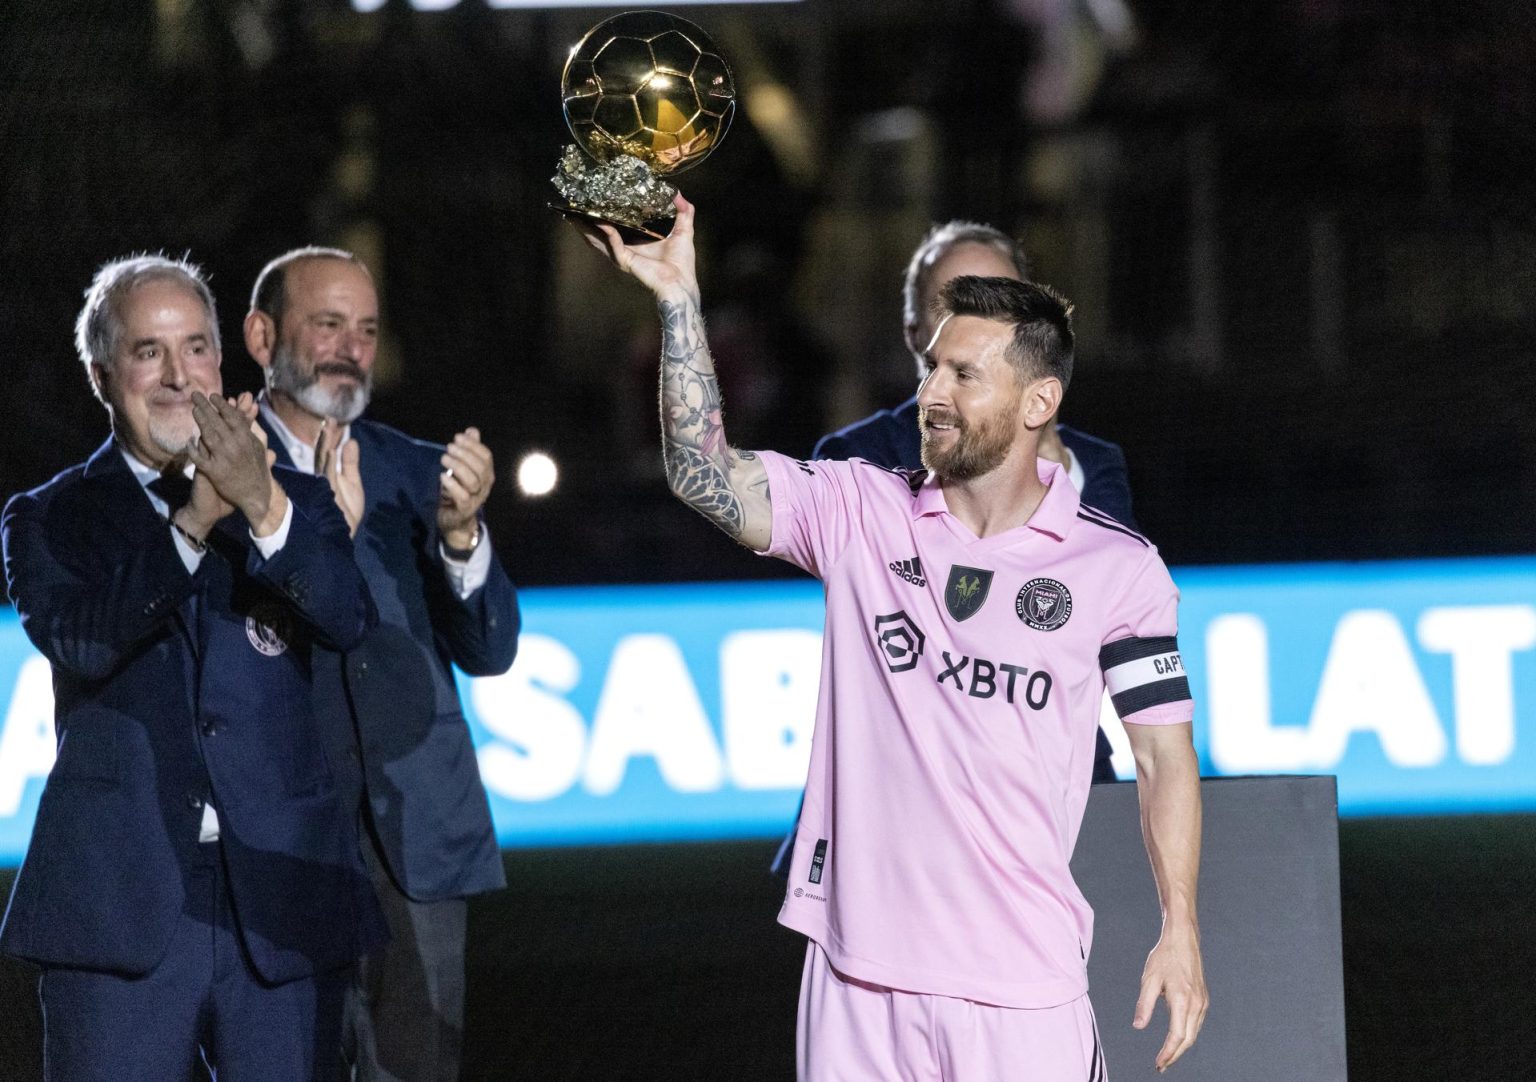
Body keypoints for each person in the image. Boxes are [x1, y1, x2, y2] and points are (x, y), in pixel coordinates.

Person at [581, 198, 1208, 1079]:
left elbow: (1164, 761)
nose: (934, 393)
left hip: (1022, 986)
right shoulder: (859, 508)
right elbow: (701, 474)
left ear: (1040, 403)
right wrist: (681, 302)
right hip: (856, 979)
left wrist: (1179, 928)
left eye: (966, 376)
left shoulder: (1120, 567)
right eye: (934, 368)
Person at [0, 255, 382, 1080]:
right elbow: (83, 643)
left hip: (281, 906)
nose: (179, 376)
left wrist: (261, 506)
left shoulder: (294, 500)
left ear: (222, 357)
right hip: (121, 906)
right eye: (149, 353)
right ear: (102, 376)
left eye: (198, 348)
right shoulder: (49, 516)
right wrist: (192, 525)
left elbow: (350, 624)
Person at [244, 246, 519, 1082]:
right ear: (262, 336)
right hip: (278, 837)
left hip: (418, 836)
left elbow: (491, 650)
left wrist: (463, 537)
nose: (349, 347)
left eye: (365, 329)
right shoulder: (218, 470)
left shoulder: (417, 471)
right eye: (327, 323)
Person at [816, 220, 1132, 787]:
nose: (983, 322)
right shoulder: (859, 457)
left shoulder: (1094, 463)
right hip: (905, 779)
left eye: (1004, 302)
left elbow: (1116, 616)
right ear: (915, 331)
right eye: (956, 301)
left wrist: (1053, 464)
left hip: (1058, 777)